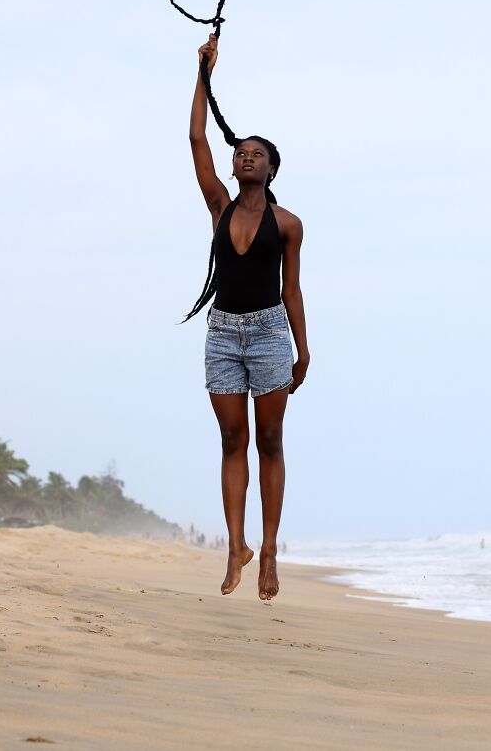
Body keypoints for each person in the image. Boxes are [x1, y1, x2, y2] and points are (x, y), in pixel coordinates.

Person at [187, 33, 310, 601]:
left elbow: (292, 289)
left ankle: (271, 550)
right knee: (231, 440)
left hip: (267, 335)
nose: (245, 156)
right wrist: (203, 73)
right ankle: (236, 546)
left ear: (271, 168)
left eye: (256, 153)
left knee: (270, 440)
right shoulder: (218, 204)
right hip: (222, 334)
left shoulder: (286, 224)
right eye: (241, 152)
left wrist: (301, 348)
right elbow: (196, 138)